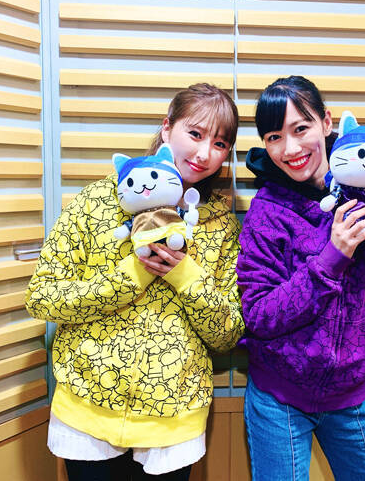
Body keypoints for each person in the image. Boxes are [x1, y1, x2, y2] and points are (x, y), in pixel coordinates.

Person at [26, 83, 245, 481]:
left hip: (173, 419)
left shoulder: (219, 224)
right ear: (167, 128)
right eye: (195, 134)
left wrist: (183, 273)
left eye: (219, 144)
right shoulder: (98, 200)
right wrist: (131, 276)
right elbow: (42, 297)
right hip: (86, 412)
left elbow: (227, 333)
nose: (204, 154)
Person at [236, 76, 365, 480]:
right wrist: (332, 258)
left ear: (326, 122)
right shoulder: (267, 210)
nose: (290, 149)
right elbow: (258, 315)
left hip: (353, 396)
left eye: (301, 129)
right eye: (275, 137)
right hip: (278, 397)